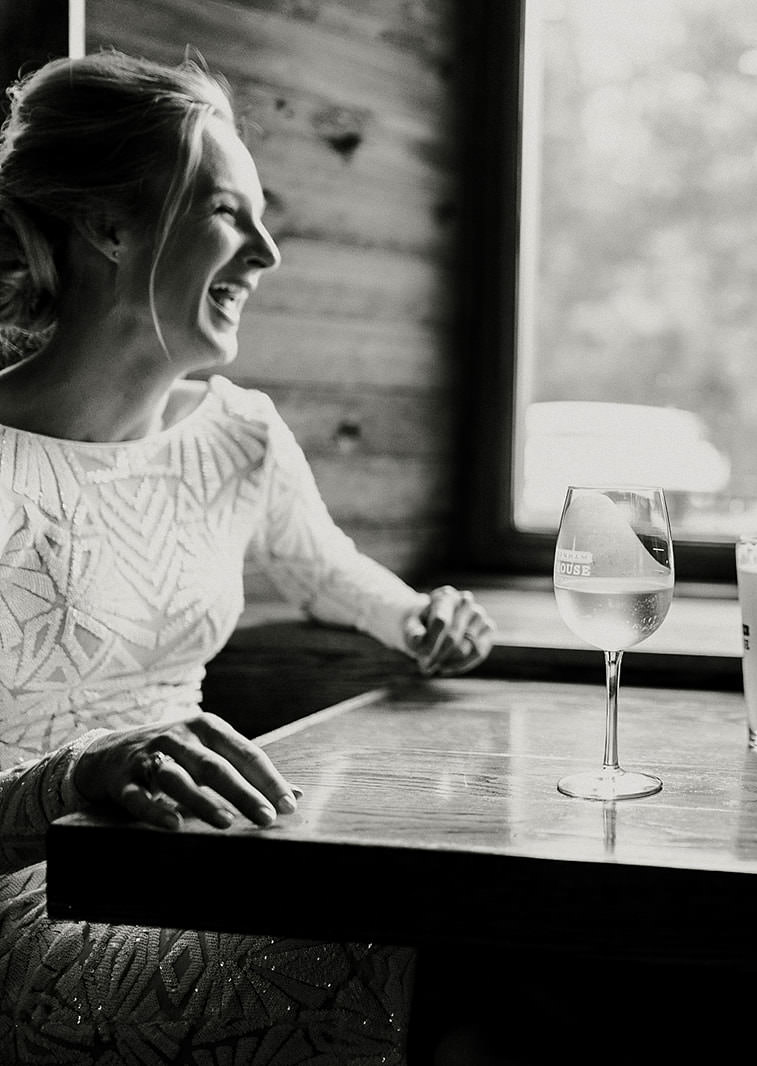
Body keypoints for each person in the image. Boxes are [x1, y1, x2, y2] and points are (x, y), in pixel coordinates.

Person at [0, 51, 496, 1061]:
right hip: (28, 907)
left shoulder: (241, 435)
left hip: (204, 860)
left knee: (484, 927)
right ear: (109, 227)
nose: (268, 251)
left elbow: (322, 566)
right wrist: (77, 777)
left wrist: (418, 619)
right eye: (231, 213)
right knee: (410, 958)